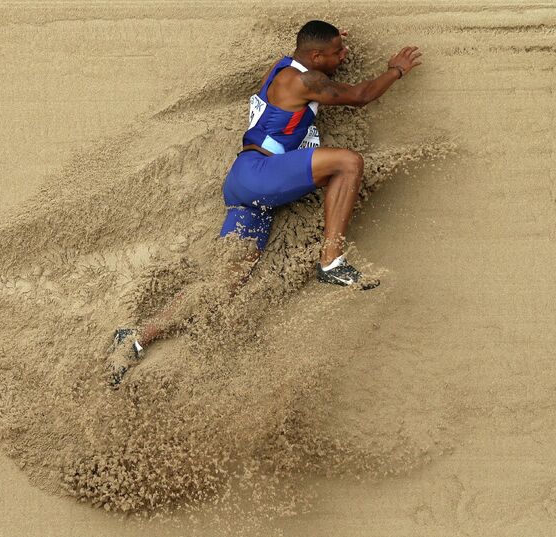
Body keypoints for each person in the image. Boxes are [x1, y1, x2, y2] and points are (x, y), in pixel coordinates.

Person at [108, 20, 422, 384]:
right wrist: (396, 70)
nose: (345, 55)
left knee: (223, 285)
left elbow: (313, 57)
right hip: (261, 173)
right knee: (348, 162)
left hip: (245, 184)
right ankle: (332, 261)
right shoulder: (304, 81)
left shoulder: (285, 66)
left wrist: (328, 47)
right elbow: (360, 96)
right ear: (315, 56)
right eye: (338, 52)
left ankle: (135, 339)